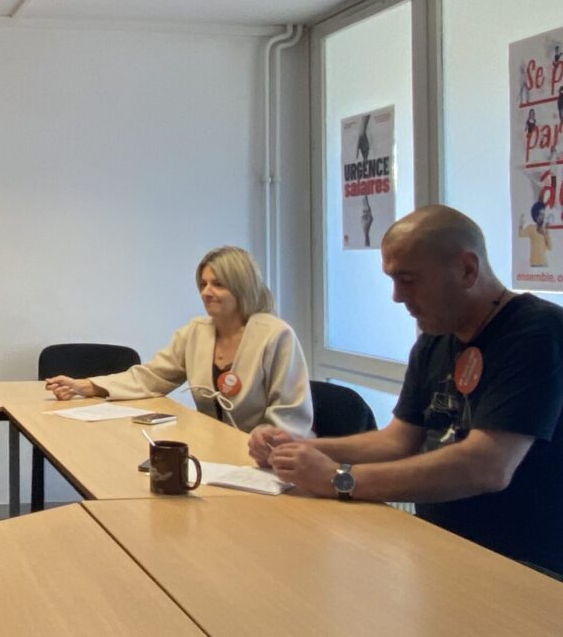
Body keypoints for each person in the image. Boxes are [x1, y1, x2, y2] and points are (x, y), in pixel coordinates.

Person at [250, 205, 563, 577]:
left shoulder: (536, 332)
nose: (397, 297)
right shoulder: (435, 339)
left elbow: (488, 466)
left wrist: (339, 480)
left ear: (467, 269)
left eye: (409, 279)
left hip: (524, 566)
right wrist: (297, 450)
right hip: (440, 547)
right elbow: (397, 440)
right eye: (392, 279)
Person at [46, 246, 313, 438]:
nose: (206, 293)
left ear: (242, 287)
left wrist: (253, 449)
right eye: (203, 284)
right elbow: (150, 377)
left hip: (269, 460)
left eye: (218, 284)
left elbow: (288, 418)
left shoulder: (276, 336)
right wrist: (87, 385)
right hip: (214, 452)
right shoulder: (196, 332)